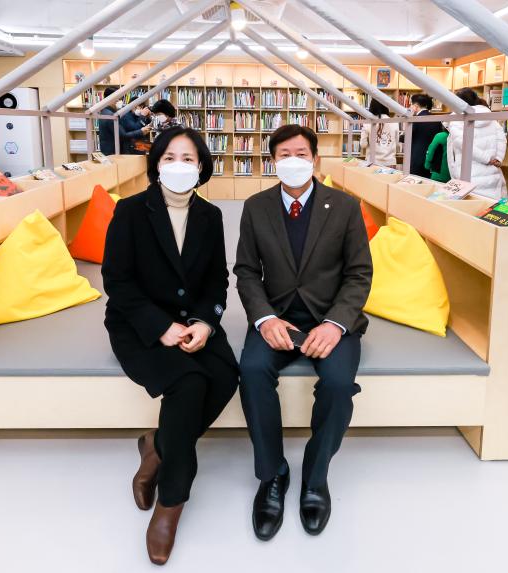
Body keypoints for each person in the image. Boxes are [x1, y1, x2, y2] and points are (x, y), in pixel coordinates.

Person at [102, 126, 239, 566]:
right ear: (156, 164)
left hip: (192, 323)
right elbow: (117, 282)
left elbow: (217, 279)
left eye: (188, 159)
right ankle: (171, 503)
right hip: (138, 324)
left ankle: (157, 446)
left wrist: (204, 322)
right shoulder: (130, 211)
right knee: (189, 382)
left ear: (202, 167)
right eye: (169, 158)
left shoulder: (210, 216)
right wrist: (160, 327)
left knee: (225, 376)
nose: (179, 166)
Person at [235, 124, 373, 540]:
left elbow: (359, 273)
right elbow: (246, 271)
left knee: (338, 384)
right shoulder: (256, 207)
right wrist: (265, 318)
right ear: (272, 161)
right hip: (277, 319)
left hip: (331, 320)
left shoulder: (345, 206)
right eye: (284, 155)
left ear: (315, 159)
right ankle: (272, 474)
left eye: (301, 154)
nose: (293, 161)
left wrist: (335, 323)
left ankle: (315, 476)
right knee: (251, 371)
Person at [447, 88, 508, 199]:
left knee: (473, 205)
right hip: (492, 172)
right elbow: (501, 138)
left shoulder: (457, 120)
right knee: (490, 206)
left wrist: (487, 158)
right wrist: (498, 159)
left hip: (469, 175)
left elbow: (464, 144)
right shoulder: (489, 117)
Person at [99, 87, 152, 156]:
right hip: (112, 153)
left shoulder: (107, 113)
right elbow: (123, 135)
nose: (119, 101)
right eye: (118, 98)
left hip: (112, 151)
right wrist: (141, 131)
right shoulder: (111, 116)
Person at [409, 94, 443, 178]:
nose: (410, 107)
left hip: (416, 158)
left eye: (411, 105)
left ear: (416, 106)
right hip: (431, 160)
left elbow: (406, 137)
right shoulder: (437, 120)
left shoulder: (415, 120)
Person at [359, 99, 399, 167]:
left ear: (372, 107)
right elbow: (397, 144)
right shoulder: (395, 123)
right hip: (390, 163)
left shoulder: (368, 123)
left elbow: (363, 145)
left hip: (372, 163)